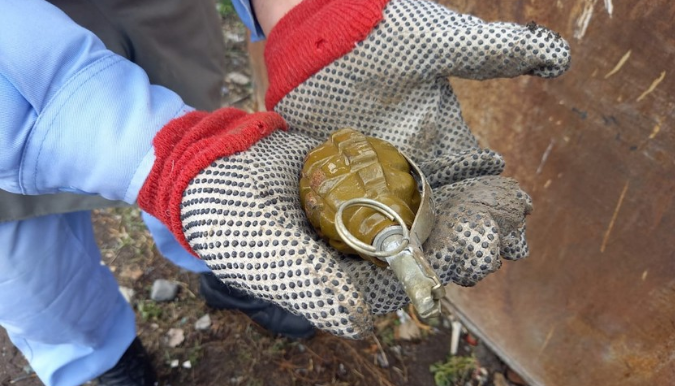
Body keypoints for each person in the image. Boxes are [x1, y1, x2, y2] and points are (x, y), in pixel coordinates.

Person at [0, 0, 571, 385]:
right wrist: (127, 138)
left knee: (206, 170)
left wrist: (305, 12)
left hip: (145, 15)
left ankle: (224, 270)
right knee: (32, 272)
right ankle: (93, 361)